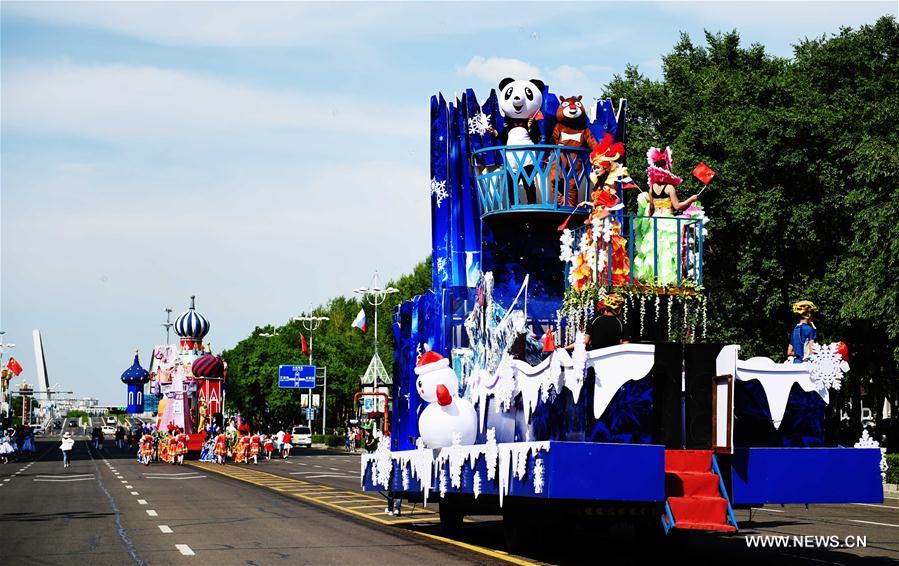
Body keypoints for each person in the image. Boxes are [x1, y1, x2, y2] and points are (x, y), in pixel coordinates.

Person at [634, 147, 698, 285]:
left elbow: (651, 207)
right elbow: (677, 206)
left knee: (653, 250)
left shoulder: (652, 188)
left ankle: (651, 278)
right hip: (668, 221)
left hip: (654, 221)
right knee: (667, 252)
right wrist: (691, 200)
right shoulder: (670, 188)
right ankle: (667, 280)